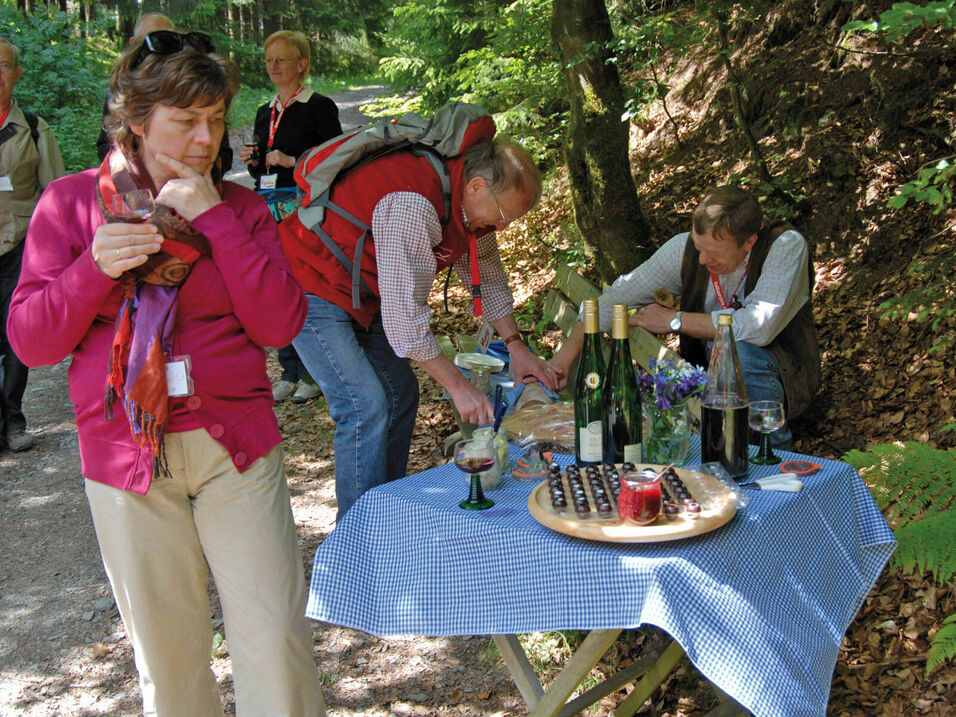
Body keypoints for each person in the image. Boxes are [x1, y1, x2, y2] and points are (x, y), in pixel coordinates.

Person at [8, 32, 325, 715]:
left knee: (275, 639)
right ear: (136, 120)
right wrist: (92, 269)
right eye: (185, 121)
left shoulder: (238, 210)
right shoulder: (71, 205)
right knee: (170, 660)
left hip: (234, 445)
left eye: (216, 119)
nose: (206, 137)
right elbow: (31, 341)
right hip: (126, 452)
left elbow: (280, 324)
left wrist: (216, 219)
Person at [281, 134, 558, 519]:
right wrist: (460, 388)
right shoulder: (414, 204)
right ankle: (359, 534)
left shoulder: (470, 211)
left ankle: (383, 508)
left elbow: (489, 280)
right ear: (477, 186)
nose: (503, 226)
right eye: (504, 215)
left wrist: (517, 348)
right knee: (364, 404)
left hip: (361, 292)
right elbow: (405, 326)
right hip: (307, 281)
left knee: (401, 391)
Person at [550, 185, 820, 448]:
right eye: (698, 247)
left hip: (782, 377)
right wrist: (562, 361)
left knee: (739, 351)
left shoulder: (784, 246)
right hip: (709, 382)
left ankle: (773, 451)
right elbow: (615, 298)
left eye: (713, 253)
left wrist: (674, 321)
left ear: (749, 242)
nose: (701, 260)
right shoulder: (685, 249)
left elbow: (758, 326)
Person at [239, 30, 342, 404]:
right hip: (267, 207)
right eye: (269, 61)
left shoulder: (319, 107)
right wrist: (255, 162)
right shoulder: (265, 112)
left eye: (281, 60)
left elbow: (334, 163)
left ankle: (313, 375)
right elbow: (260, 174)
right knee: (276, 286)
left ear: (301, 64)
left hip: (302, 210)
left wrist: (291, 161)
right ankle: (288, 370)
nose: (274, 67)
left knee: (305, 285)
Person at [0, 38, 65, 453]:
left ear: (17, 73)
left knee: (14, 337)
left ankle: (13, 421)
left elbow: (55, 195)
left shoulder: (37, 129)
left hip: (18, 248)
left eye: (4, 66)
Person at [95, 13, 233, 171]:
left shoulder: (201, 90)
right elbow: (105, 145)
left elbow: (224, 153)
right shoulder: (117, 93)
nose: (206, 138)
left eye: (169, 39)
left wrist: (205, 179)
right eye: (186, 120)